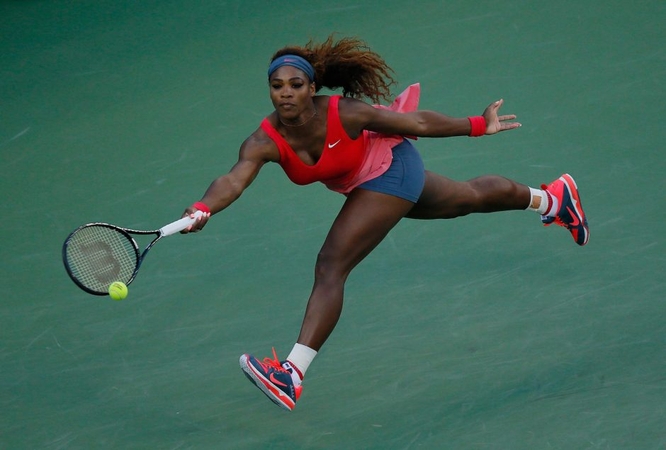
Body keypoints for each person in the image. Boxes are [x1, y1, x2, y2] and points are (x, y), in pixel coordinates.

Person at [180, 35, 589, 411]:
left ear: (311, 88)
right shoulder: (263, 140)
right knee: (467, 198)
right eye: (277, 86)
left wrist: (479, 125)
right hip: (367, 183)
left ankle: (291, 374)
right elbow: (234, 180)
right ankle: (554, 200)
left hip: (392, 168)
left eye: (295, 85)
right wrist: (203, 207)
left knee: (331, 265)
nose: (285, 92)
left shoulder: (345, 112)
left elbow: (419, 124)